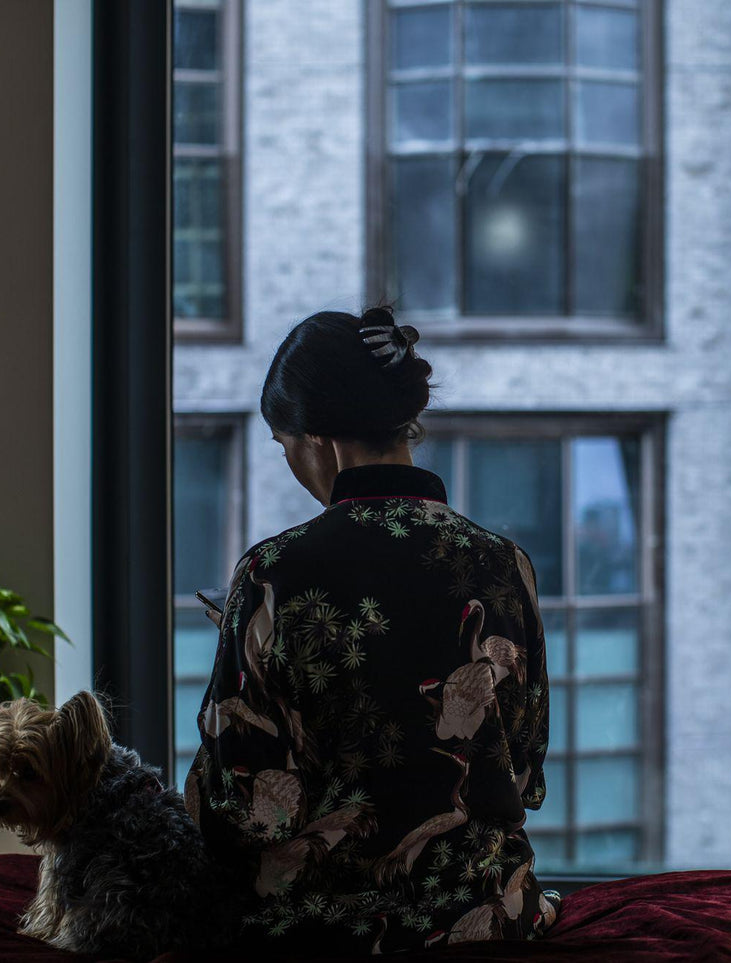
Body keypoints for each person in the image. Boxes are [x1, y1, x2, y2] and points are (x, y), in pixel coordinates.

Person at [186, 306, 558, 954]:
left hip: (318, 931)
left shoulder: (272, 573)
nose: (291, 463)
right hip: (488, 918)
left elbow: (238, 804)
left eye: (283, 446)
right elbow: (523, 772)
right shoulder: (504, 563)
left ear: (317, 439)